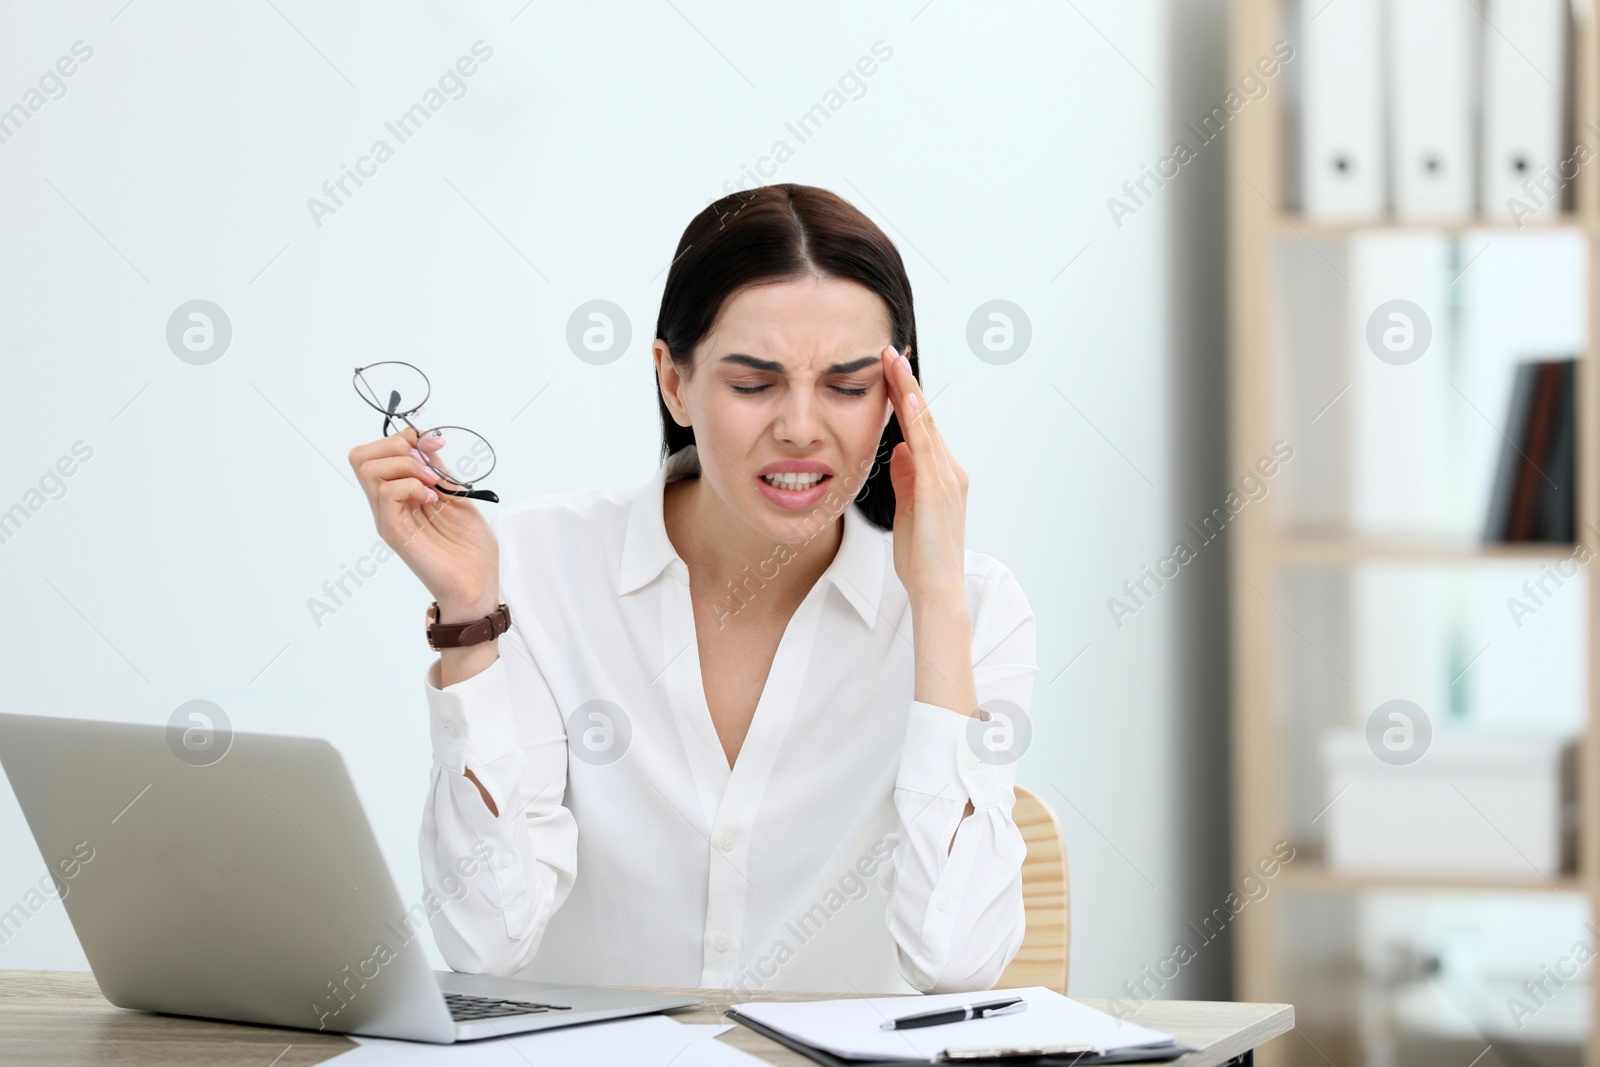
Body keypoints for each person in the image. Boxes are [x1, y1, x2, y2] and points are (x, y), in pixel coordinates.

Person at [348, 183, 1037, 995]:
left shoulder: (974, 607)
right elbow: (487, 940)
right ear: (673, 381)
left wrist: (937, 601)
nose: (802, 427)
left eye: (850, 387)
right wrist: (469, 615)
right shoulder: (535, 569)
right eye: (754, 383)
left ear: (899, 396)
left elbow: (956, 962)